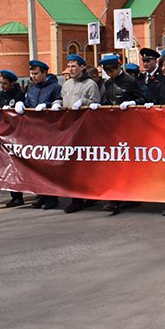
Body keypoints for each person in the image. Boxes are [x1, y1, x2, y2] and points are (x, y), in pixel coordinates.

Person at [97, 54, 147, 215]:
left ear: (118, 67)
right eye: (107, 70)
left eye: (112, 70)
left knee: (128, 165)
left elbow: (144, 99)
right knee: (114, 165)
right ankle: (115, 199)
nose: (110, 73)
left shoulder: (130, 81)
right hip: (113, 128)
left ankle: (130, 196)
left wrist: (133, 103)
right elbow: (107, 101)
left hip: (131, 128)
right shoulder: (107, 83)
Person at [14, 59, 62, 209]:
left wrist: (48, 105)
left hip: (49, 130)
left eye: (36, 73)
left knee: (49, 165)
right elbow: (28, 102)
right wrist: (21, 103)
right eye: (32, 73)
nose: (33, 76)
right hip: (33, 131)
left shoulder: (55, 87)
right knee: (37, 164)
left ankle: (52, 197)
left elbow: (59, 102)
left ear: (44, 73)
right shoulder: (31, 88)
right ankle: (41, 195)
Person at [59, 54, 101, 214]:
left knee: (84, 165)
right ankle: (76, 198)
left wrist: (84, 102)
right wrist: (56, 103)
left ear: (83, 67)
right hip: (69, 129)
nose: (70, 69)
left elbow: (97, 105)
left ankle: (85, 196)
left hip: (85, 129)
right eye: (69, 66)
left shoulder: (90, 84)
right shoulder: (66, 84)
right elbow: (62, 100)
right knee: (72, 165)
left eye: (74, 66)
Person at [0, 70, 25, 208]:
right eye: (0, 83)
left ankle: (17, 197)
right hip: (2, 136)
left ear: (13, 83)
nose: (2, 86)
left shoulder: (19, 95)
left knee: (13, 167)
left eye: (5, 83)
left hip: (15, 137)